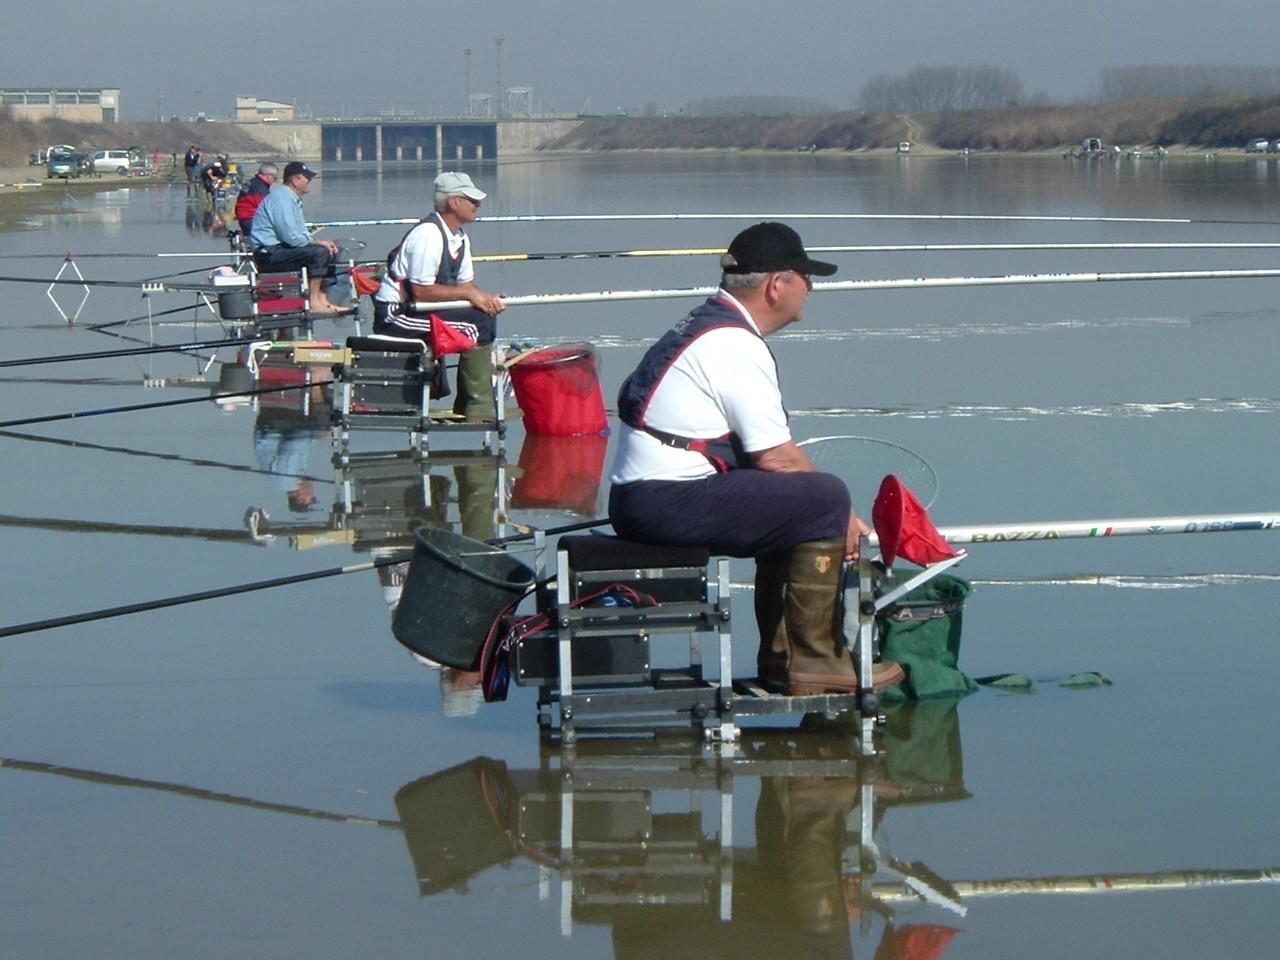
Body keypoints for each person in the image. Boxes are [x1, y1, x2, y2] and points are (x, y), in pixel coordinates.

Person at [607, 221, 903, 697]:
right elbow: (776, 457)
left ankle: (781, 658)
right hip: (666, 499)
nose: (811, 289)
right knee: (824, 496)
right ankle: (814, 659)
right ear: (776, 285)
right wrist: (843, 517)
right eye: (806, 277)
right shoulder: (734, 343)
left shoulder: (707, 324)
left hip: (644, 497)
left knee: (796, 502)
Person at [371, 171, 505, 420]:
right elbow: (421, 291)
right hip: (396, 315)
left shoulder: (460, 237)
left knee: (485, 317)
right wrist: (469, 293)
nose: (478, 205)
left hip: (421, 309)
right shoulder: (428, 235)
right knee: (474, 327)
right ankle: (478, 407)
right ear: (454, 202)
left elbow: (466, 285)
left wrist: (486, 299)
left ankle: (469, 404)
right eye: (472, 200)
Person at [248, 160, 342, 314]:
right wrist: (316, 243)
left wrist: (320, 243)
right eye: (307, 178)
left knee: (332, 249)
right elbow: (291, 237)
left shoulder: (293, 199)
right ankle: (313, 302)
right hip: (268, 253)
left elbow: (300, 233)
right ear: (295, 180)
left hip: (281, 249)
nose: (310, 181)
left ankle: (323, 300)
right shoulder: (282, 199)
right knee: (319, 252)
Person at [234, 161, 277, 235]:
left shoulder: (251, 182)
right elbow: (266, 209)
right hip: (251, 220)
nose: (274, 181)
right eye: (275, 178)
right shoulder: (261, 189)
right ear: (268, 176)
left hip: (243, 218)